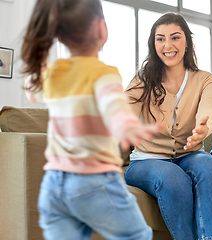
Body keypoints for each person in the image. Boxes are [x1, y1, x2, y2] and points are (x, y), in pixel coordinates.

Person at [21, 0, 161, 239]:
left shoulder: (55, 73)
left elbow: (32, 90)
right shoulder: (103, 74)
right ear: (101, 28)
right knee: (137, 235)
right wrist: (127, 126)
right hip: (94, 182)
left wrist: (40, 55)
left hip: (53, 186)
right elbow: (113, 106)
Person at [124, 12, 212, 240]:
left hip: (189, 154)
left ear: (187, 42)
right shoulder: (142, 80)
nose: (167, 45)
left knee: (210, 165)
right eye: (160, 38)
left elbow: (209, 110)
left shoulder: (206, 80)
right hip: (146, 161)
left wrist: (204, 127)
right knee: (173, 177)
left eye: (175, 37)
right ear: (153, 44)